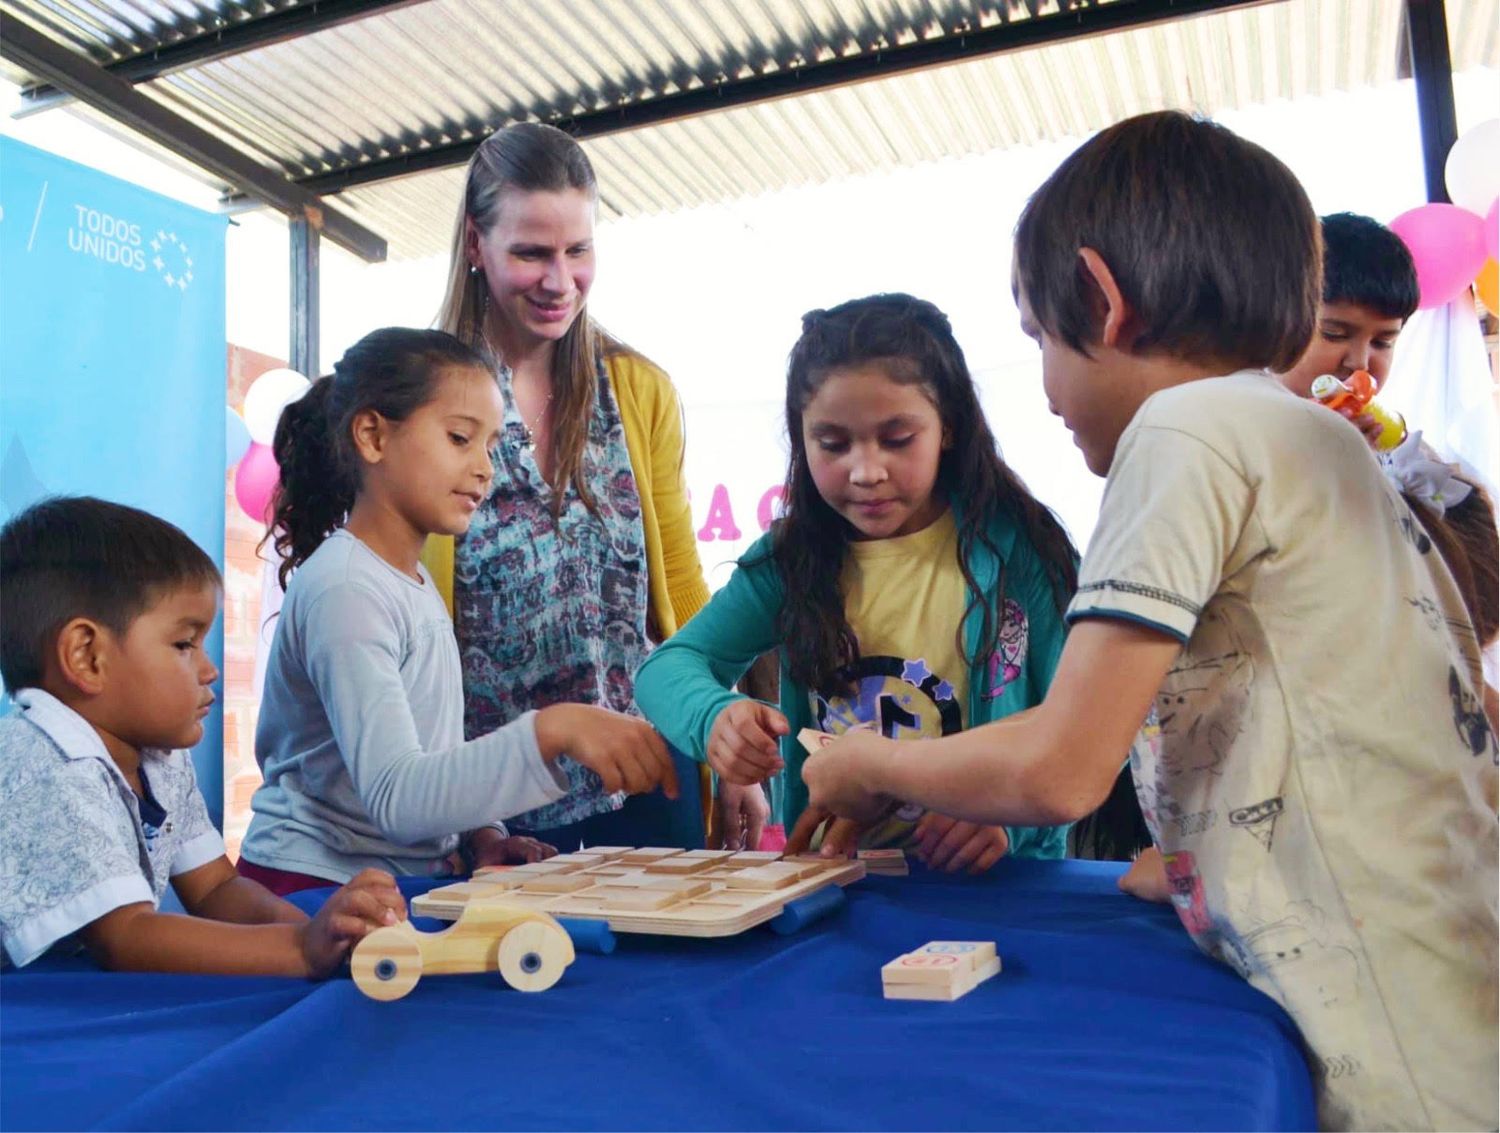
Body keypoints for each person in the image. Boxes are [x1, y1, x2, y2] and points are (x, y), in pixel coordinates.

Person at [794, 112, 1497, 1130]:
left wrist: (865, 763)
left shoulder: (1184, 431)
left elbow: (1059, 768)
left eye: (1039, 336)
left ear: (1101, 299)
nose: (1044, 393)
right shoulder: (1308, 435)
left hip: (1395, 1041)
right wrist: (1199, 858)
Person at [635, 293, 1078, 870]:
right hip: (836, 890)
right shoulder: (791, 561)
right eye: (833, 444)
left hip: (1002, 889)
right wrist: (715, 717)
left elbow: (1096, 727)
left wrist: (1007, 806)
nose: (866, 472)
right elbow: (666, 669)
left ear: (948, 427)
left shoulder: (1020, 553)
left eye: (897, 439)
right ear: (801, 438)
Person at [237, 328, 676, 894]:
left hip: (390, 884)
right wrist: (552, 729)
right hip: (311, 892)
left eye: (491, 446)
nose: (485, 468)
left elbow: (429, 755)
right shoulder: (346, 591)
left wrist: (480, 833)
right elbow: (397, 796)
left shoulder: (410, 581)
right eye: (459, 438)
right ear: (372, 436)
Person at [426, 121, 728, 851]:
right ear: (475, 244)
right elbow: (408, 620)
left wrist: (723, 730)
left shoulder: (639, 389)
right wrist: (465, 819)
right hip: (496, 798)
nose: (559, 281)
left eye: (578, 250)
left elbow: (681, 589)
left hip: (649, 771)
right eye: (531, 252)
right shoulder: (425, 397)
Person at [0, 496, 405, 974]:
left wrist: (312, 933)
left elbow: (216, 888)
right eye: (184, 644)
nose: (209, 669)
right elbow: (125, 937)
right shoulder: (45, 763)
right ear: (87, 657)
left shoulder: (156, 757)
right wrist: (299, 950)